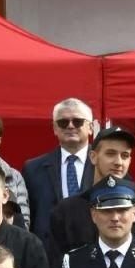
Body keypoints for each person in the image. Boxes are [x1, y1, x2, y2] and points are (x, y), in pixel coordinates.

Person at [46, 124, 135, 268]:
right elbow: (56, 266)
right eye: (110, 153)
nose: (118, 162)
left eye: (125, 155)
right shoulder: (67, 210)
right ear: (93, 157)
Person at [22, 98, 97, 239]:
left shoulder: (104, 164)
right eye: (63, 122)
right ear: (55, 128)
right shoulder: (32, 169)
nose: (70, 126)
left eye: (77, 121)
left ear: (91, 127)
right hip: (49, 254)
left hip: (93, 251)